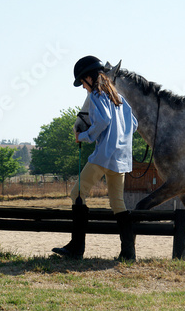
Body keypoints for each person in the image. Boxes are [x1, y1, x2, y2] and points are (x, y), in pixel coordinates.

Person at [52, 56, 138, 261]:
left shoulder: (96, 96)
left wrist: (83, 136)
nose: (83, 87)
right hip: (121, 159)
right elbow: (133, 124)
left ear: (90, 78)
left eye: (82, 82)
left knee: (77, 194)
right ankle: (128, 253)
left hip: (103, 157)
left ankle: (76, 248)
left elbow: (103, 121)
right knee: (118, 203)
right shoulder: (119, 98)